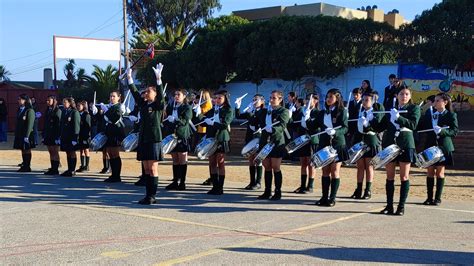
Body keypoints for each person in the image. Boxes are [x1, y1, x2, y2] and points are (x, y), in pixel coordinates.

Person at [377, 86, 420, 216]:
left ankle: (401, 207)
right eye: (401, 94)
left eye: (406, 94)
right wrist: (368, 122)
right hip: (390, 143)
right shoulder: (391, 110)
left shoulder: (414, 108)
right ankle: (389, 206)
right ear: (397, 96)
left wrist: (399, 118)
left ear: (410, 96)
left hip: (406, 143)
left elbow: (413, 125)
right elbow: (380, 127)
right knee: (389, 176)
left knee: (404, 176)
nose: (404, 96)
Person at [127, 64, 165, 204]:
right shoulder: (143, 105)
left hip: (154, 139)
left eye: (149, 91)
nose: (146, 93)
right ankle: (148, 195)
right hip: (144, 138)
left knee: (153, 168)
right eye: (146, 91)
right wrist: (130, 78)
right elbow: (135, 93)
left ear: (154, 94)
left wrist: (158, 79)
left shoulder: (157, 106)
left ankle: (152, 196)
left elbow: (161, 98)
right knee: (147, 168)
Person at [418, 93, 458, 206]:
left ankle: (438, 198)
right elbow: (420, 125)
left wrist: (442, 131)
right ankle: (429, 197)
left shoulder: (451, 115)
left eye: (437, 101)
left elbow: (454, 131)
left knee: (440, 173)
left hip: (443, 146)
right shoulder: (429, 114)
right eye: (434, 101)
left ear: (445, 102)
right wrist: (419, 112)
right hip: (430, 145)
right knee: (430, 171)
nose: (434, 103)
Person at [311, 89, 348, 207]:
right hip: (324, 144)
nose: (328, 99)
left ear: (337, 98)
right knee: (325, 171)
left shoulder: (342, 111)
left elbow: (345, 128)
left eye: (331, 97)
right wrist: (306, 119)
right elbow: (313, 126)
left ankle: (332, 198)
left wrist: (335, 132)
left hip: (337, 144)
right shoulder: (322, 112)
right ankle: (324, 196)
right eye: (327, 96)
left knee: (334, 171)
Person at [197, 90, 234, 195]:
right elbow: (203, 123)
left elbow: (225, 124)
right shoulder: (213, 109)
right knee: (212, 162)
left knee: (220, 163)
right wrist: (198, 114)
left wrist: (212, 123)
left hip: (221, 138)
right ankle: (215, 186)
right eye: (215, 98)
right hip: (211, 138)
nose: (217, 100)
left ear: (225, 99)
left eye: (219, 98)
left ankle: (220, 187)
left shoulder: (229, 110)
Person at [255, 90, 290, 200]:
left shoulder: (283, 111)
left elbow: (283, 125)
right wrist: (256, 108)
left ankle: (278, 191)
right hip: (265, 141)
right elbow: (255, 119)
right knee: (267, 166)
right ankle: (267, 191)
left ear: (280, 99)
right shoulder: (265, 111)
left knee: (275, 166)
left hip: (277, 142)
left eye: (274, 98)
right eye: (270, 97)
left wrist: (273, 129)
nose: (271, 100)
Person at [350, 91, 384, 199]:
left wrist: (369, 122)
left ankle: (368, 190)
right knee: (360, 166)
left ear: (373, 101)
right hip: (360, 139)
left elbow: (378, 125)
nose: (364, 102)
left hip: (371, 139)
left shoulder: (377, 110)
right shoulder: (360, 110)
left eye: (366, 100)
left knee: (369, 166)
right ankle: (358, 189)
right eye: (363, 100)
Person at [235, 93, 265, 190]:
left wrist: (250, 113)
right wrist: (238, 106)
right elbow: (239, 116)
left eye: (256, 100)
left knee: (258, 159)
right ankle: (252, 182)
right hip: (249, 137)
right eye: (253, 100)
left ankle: (258, 182)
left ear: (262, 101)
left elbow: (258, 122)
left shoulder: (263, 111)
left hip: (258, 137)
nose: (254, 101)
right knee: (251, 160)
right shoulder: (251, 111)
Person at [164, 89, 192, 191]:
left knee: (182, 159)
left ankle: (182, 182)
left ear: (184, 96)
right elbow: (166, 119)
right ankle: (175, 181)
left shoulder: (187, 107)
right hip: (172, 135)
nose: (176, 96)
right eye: (175, 94)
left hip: (182, 135)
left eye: (178, 94)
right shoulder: (171, 106)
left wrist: (176, 119)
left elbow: (185, 121)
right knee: (175, 159)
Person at [294, 94, 320, 193]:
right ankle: (302, 185)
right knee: (303, 163)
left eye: (310, 99)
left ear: (316, 101)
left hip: (312, 140)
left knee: (311, 163)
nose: (308, 101)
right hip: (303, 139)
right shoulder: (303, 111)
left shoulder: (317, 113)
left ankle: (310, 186)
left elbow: (317, 127)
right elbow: (297, 123)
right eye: (307, 99)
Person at [192, 91, 213, 185]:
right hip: (199, 128)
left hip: (205, 130)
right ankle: (212, 177)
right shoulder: (201, 104)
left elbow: (205, 115)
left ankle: (214, 178)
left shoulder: (208, 105)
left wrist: (200, 110)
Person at [13, 94, 36, 172]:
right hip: (20, 133)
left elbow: (30, 123)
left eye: (20, 99)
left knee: (27, 149)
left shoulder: (29, 110)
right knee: (22, 149)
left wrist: (27, 135)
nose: (19, 101)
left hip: (27, 134)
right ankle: (24, 165)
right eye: (18, 99)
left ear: (25, 100)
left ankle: (27, 166)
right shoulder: (20, 109)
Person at [59, 97, 81, 177]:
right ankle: (69, 169)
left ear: (70, 103)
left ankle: (72, 170)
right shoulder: (64, 111)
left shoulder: (74, 112)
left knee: (72, 152)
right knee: (67, 152)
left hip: (72, 137)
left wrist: (75, 138)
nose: (64, 104)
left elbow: (76, 126)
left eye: (65, 102)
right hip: (65, 136)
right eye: (63, 102)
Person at [42, 95, 62, 175]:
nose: (47, 102)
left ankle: (55, 169)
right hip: (48, 134)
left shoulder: (57, 110)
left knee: (55, 151)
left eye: (49, 100)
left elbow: (58, 124)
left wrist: (58, 136)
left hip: (54, 134)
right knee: (50, 151)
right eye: (47, 100)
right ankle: (52, 167)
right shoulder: (48, 110)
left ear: (53, 101)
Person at [76, 101, 91, 172]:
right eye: (77, 106)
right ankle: (82, 165)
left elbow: (88, 126)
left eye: (80, 106)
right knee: (81, 150)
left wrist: (87, 137)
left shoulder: (86, 115)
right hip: (80, 135)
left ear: (83, 106)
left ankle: (87, 166)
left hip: (85, 135)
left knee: (86, 150)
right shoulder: (78, 114)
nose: (78, 107)